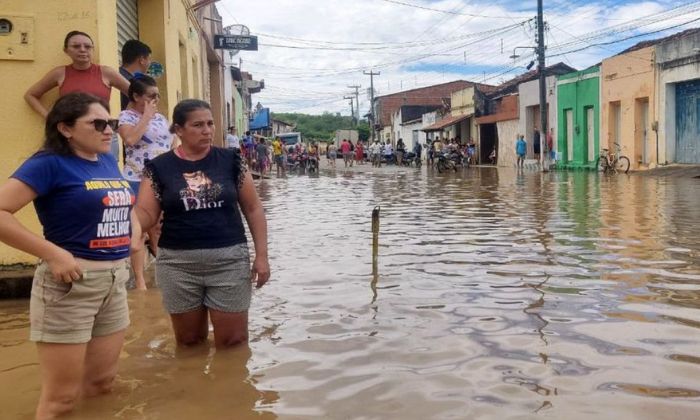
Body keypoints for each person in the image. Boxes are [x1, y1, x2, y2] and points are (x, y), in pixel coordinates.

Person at [0, 93, 134, 418]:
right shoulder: (48, 163)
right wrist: (53, 254)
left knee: (102, 384)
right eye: (97, 123)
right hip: (70, 285)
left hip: (114, 281)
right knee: (61, 400)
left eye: (111, 123)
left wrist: (136, 233)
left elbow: (118, 202)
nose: (108, 131)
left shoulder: (104, 158)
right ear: (65, 128)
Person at [133, 99, 270, 348]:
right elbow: (146, 212)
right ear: (179, 130)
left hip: (229, 261)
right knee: (189, 342)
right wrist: (129, 223)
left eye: (210, 123)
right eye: (198, 125)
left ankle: (230, 386)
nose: (207, 130)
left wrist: (262, 256)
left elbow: (253, 208)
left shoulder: (231, 161)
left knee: (234, 342)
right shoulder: (158, 168)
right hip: (177, 265)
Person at [24, 31, 130, 161]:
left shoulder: (106, 72)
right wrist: (49, 117)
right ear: (66, 50)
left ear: (93, 49)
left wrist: (128, 120)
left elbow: (136, 95)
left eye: (87, 46)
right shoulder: (59, 73)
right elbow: (30, 95)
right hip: (71, 135)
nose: (82, 50)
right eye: (76, 46)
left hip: (103, 132)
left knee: (106, 175)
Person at [118, 74, 173, 290]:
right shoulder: (126, 117)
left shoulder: (160, 118)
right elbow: (130, 139)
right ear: (135, 96)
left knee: (158, 228)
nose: (155, 101)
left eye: (157, 96)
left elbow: (171, 142)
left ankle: (166, 274)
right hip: (136, 180)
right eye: (151, 96)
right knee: (138, 230)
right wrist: (146, 117)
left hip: (160, 180)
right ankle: (140, 282)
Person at [118, 39, 152, 110]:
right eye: (149, 59)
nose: (150, 63)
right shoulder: (134, 83)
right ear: (142, 60)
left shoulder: (115, 75)